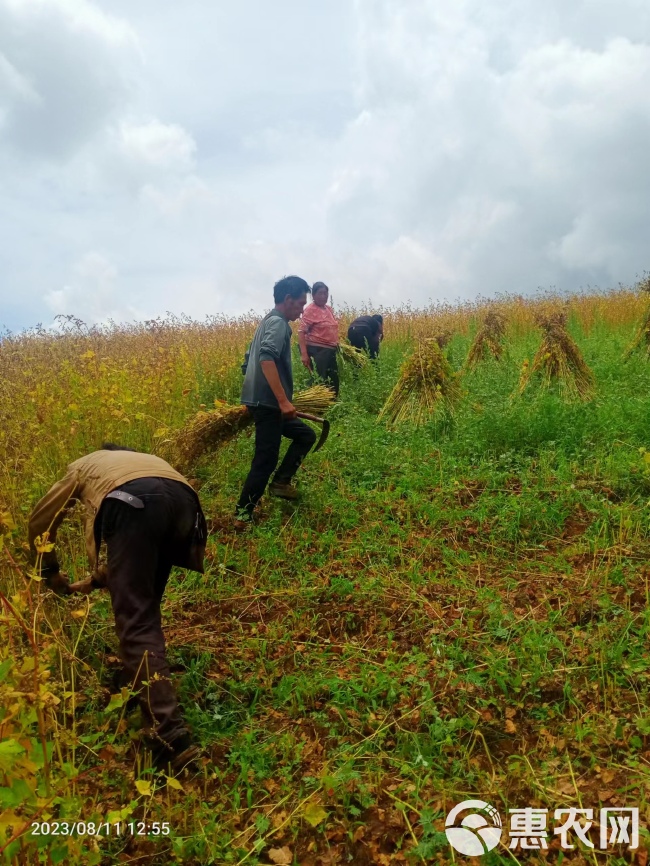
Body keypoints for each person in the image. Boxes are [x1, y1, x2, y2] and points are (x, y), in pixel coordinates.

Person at [28, 444, 208, 772]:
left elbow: (41, 519)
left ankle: (168, 736)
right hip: (184, 503)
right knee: (145, 607)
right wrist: (95, 580)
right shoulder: (145, 463)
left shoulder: (85, 464)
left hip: (134, 504)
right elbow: (135, 551)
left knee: (137, 621)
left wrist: (48, 571)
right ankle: (136, 684)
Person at [235, 276, 317, 527]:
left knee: (305, 436)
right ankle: (242, 514)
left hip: (263, 402)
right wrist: (282, 401)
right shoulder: (278, 323)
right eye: (300, 303)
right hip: (269, 405)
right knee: (265, 458)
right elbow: (266, 358)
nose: (302, 309)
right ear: (288, 299)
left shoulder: (266, 322)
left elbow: (247, 361)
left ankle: (281, 482)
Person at [298, 281, 340, 398]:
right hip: (316, 350)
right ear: (313, 295)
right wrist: (304, 354)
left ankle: (333, 403)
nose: (323, 296)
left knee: (333, 378)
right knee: (320, 379)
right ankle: (318, 404)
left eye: (325, 293)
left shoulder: (328, 309)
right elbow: (301, 332)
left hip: (330, 350)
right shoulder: (310, 309)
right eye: (320, 293)